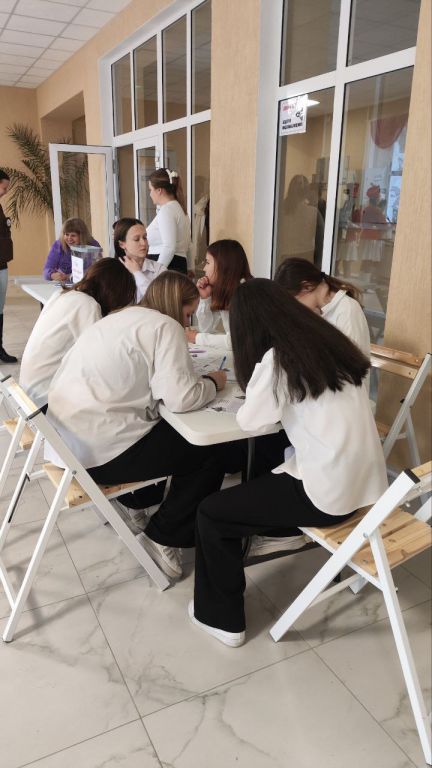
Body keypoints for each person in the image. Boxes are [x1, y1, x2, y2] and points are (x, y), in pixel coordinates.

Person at [189, 279, 388, 647]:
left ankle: (221, 619)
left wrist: (257, 381)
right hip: (369, 485)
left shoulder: (279, 359)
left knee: (211, 514)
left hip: (330, 496)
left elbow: (251, 421)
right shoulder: (328, 340)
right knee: (273, 458)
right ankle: (277, 536)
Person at [46, 272, 227, 580]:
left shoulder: (117, 317)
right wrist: (212, 382)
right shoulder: (165, 326)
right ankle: (164, 537)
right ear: (176, 305)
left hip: (66, 443)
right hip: (98, 456)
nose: (187, 324)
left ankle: (137, 500)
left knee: (165, 432)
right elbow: (181, 398)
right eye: (188, 314)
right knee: (210, 447)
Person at [20, 258, 136, 408]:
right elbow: (99, 361)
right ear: (113, 292)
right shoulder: (87, 305)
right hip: (44, 399)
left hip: (28, 390)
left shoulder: (62, 294)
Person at [275, 256, 370, 358]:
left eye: (294, 302)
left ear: (307, 287)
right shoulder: (318, 310)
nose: (294, 308)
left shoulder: (347, 310)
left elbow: (352, 362)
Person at [186, 239, 252, 350]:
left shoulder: (245, 293)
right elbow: (206, 329)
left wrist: (197, 338)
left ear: (223, 265)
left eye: (207, 263)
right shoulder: (225, 289)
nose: (204, 269)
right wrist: (205, 299)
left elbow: (236, 341)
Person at [146, 168, 192, 274]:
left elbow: (169, 247)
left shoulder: (167, 210)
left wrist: (157, 273)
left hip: (168, 267)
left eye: (150, 190)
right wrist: (190, 267)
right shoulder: (180, 209)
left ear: (159, 190)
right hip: (176, 265)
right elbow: (190, 245)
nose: (150, 194)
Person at [114, 217, 166, 302]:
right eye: (136, 239)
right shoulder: (113, 270)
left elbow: (160, 300)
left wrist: (137, 273)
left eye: (145, 237)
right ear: (122, 244)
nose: (143, 243)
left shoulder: (159, 269)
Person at [283, 174, 324, 266]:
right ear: (307, 192)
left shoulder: (280, 210)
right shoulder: (313, 212)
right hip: (306, 257)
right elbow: (321, 241)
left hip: (285, 257)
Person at [43, 218, 101, 282]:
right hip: (65, 283)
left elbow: (98, 269)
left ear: (82, 236)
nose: (69, 238)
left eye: (73, 235)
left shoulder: (93, 246)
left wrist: (69, 276)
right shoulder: (58, 245)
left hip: (87, 282)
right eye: (66, 234)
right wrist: (52, 275)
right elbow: (46, 270)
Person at [0, 169, 17, 363]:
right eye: (3, 188)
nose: (5, 192)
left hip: (1, 264)